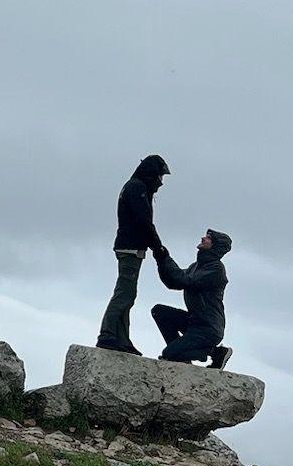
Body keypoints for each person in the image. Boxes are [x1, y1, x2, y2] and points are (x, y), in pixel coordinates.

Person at [95, 154, 170, 355]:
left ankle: (121, 338)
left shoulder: (134, 186)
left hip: (129, 247)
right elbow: (144, 221)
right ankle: (107, 334)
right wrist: (158, 247)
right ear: (152, 174)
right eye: (160, 176)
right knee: (125, 293)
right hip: (130, 248)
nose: (160, 182)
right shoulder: (137, 188)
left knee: (128, 293)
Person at [152, 229, 235, 369]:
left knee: (168, 354)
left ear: (215, 246)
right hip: (194, 322)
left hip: (208, 329)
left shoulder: (216, 269)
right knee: (159, 311)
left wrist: (166, 258)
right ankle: (179, 353)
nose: (203, 238)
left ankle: (215, 352)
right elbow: (174, 282)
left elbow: (184, 280)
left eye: (208, 238)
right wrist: (161, 260)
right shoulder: (195, 267)